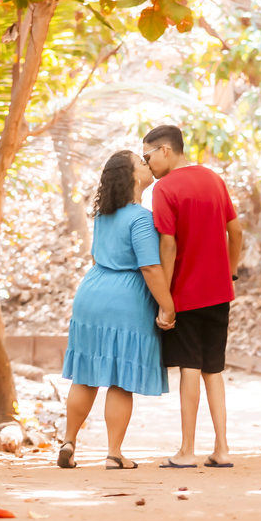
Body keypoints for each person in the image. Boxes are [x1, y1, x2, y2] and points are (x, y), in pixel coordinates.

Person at [57, 151, 176, 470]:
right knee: (120, 378)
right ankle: (114, 453)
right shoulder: (140, 217)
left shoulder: (103, 215)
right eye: (142, 163)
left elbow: (97, 258)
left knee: (85, 374)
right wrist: (168, 306)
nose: (147, 165)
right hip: (126, 299)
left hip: (91, 294)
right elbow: (150, 268)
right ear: (134, 177)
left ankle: (69, 440)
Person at [142, 125, 243, 469]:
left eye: (148, 156)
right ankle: (223, 449)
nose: (148, 164)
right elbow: (236, 230)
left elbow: (167, 245)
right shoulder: (214, 178)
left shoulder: (163, 188)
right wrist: (230, 270)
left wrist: (164, 300)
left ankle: (187, 451)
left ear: (165, 151)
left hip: (185, 294)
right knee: (213, 371)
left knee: (189, 368)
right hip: (219, 293)